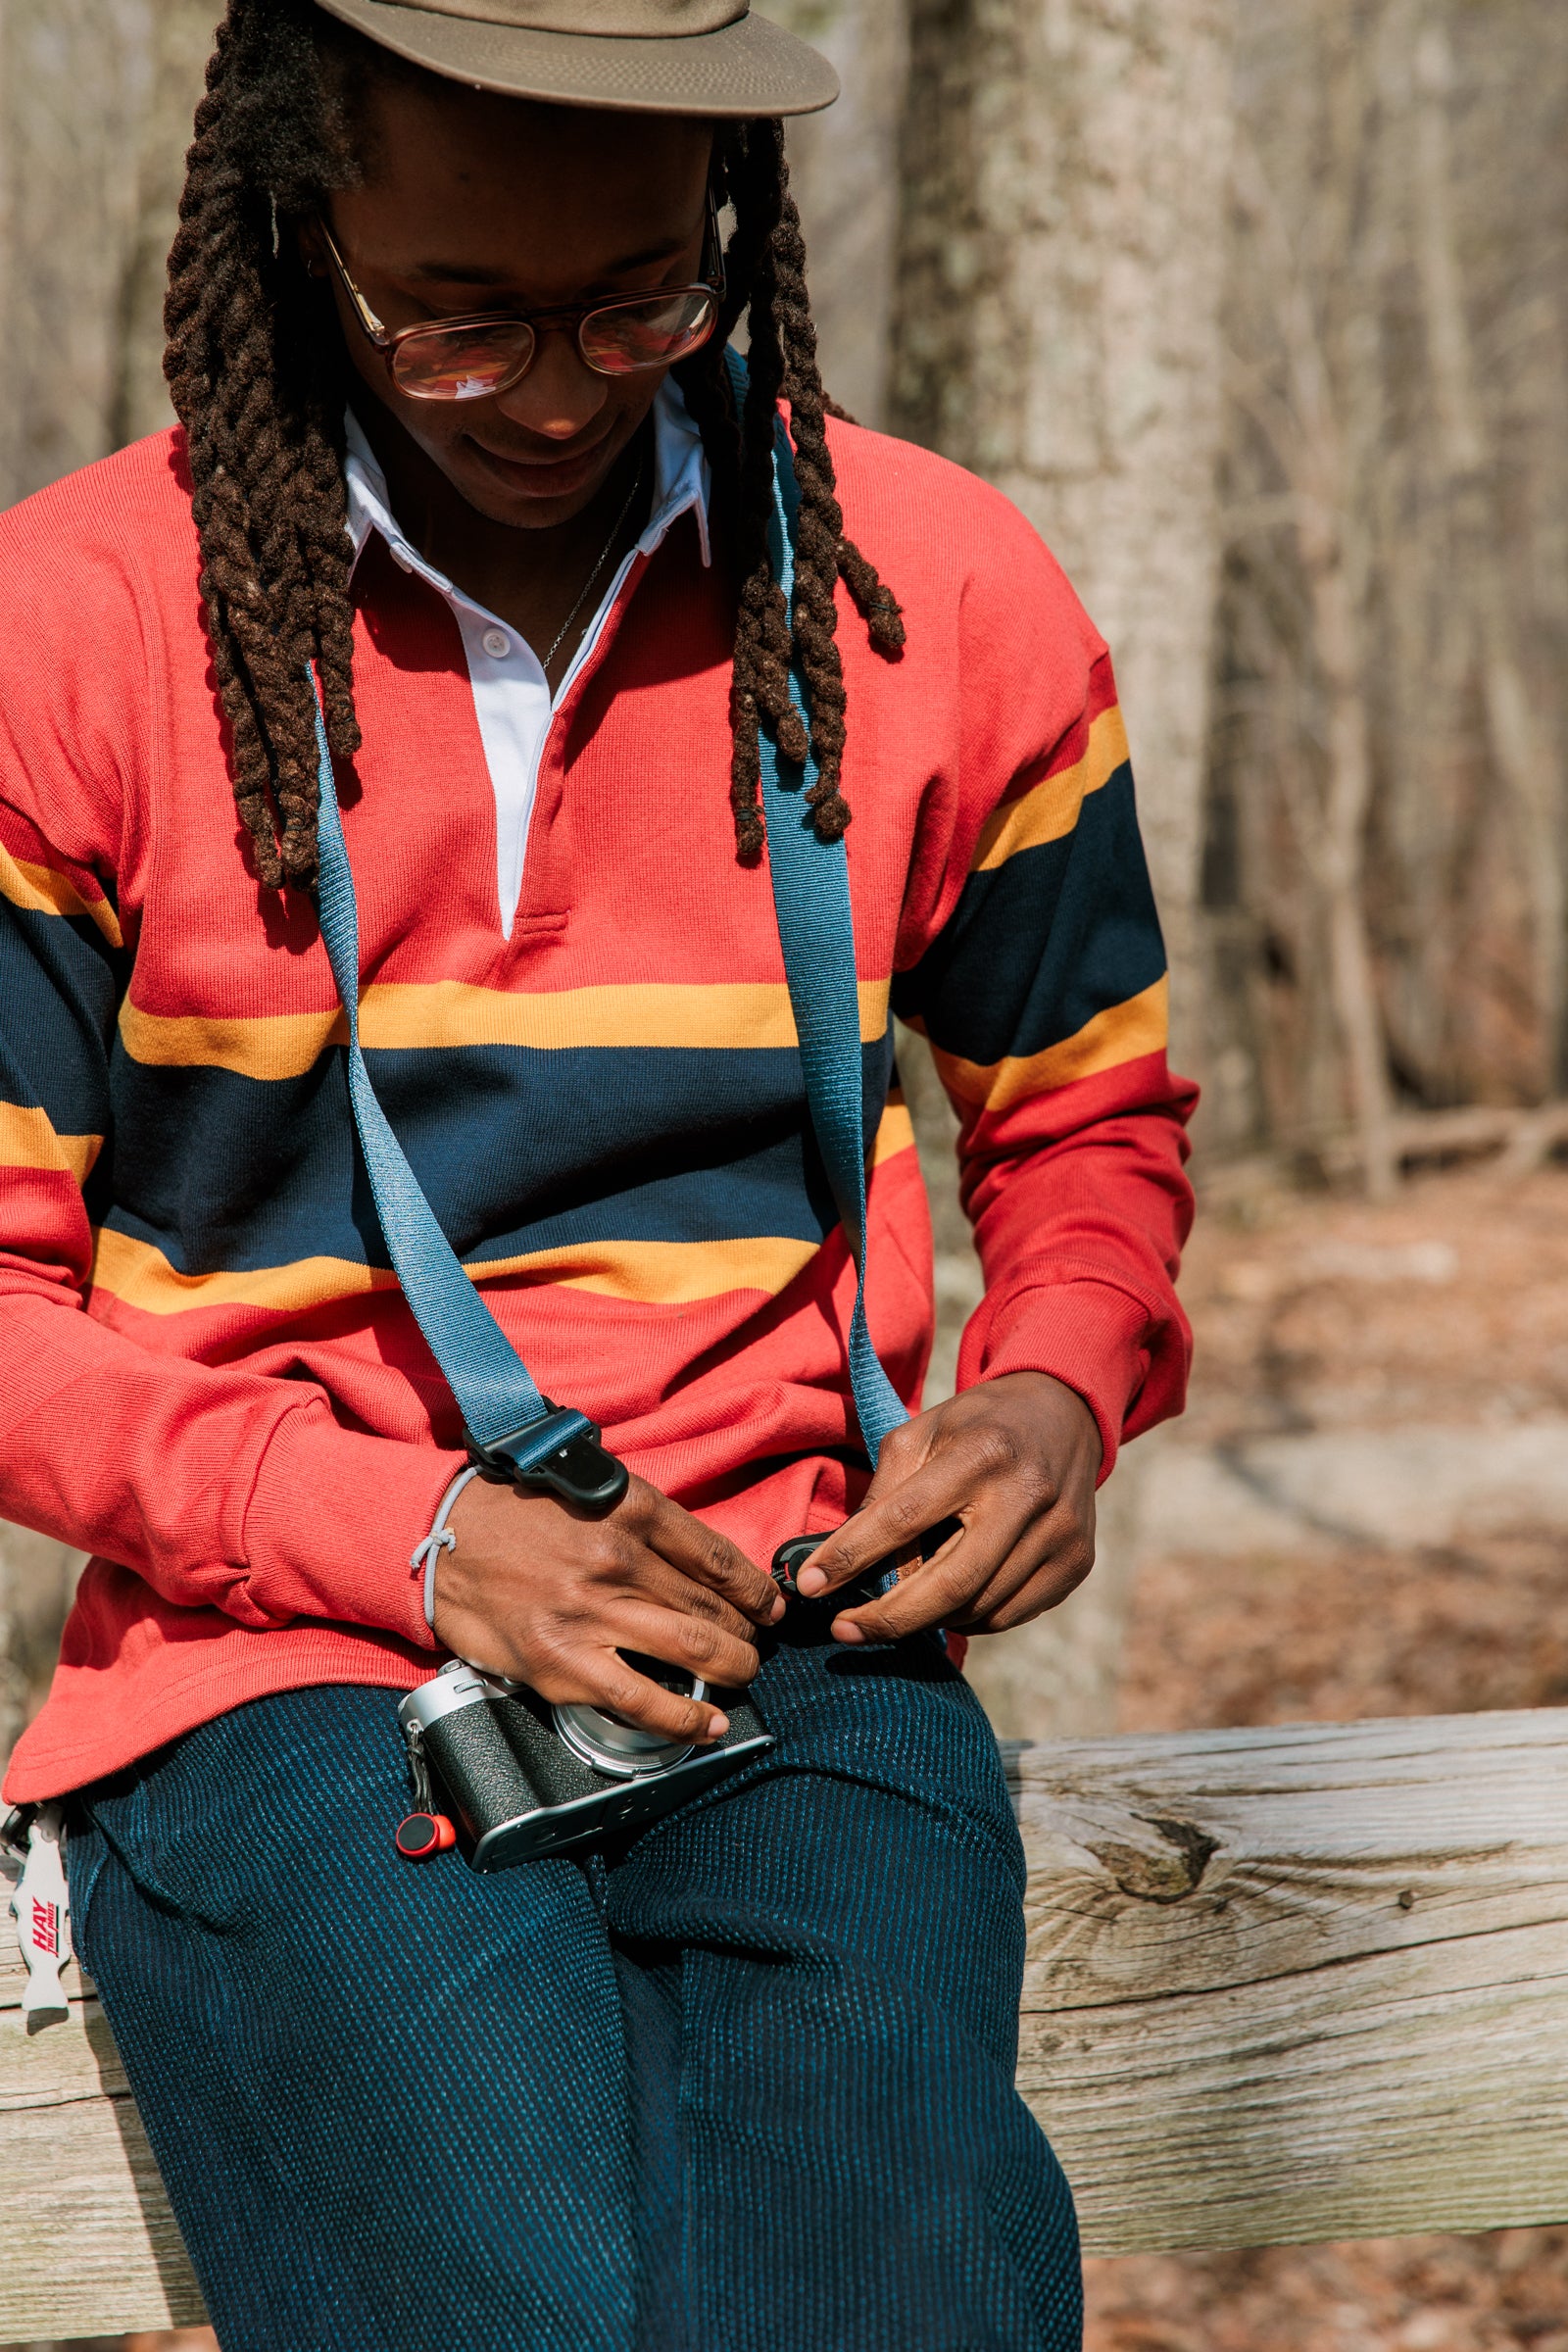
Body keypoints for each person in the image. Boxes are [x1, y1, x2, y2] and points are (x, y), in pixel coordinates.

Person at [0, 2, 1195, 2344]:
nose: (556, 391)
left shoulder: (926, 589)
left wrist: (1054, 1386)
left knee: (909, 2287)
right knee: (522, 2299)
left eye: (643, 298)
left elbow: (1085, 1118)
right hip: (284, 1674)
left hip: (802, 1639)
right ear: (293, 224)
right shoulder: (75, 629)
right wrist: (417, 1537)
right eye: (454, 319)